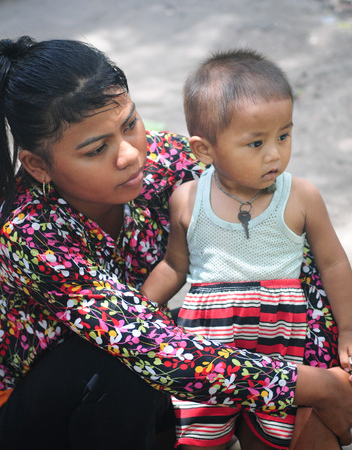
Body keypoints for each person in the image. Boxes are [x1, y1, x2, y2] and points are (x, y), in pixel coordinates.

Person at [0, 37, 351, 450]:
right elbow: (148, 347)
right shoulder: (28, 233)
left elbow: (295, 246)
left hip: (150, 364)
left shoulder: (166, 161)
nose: (130, 155)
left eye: (130, 124)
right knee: (123, 363)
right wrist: (312, 386)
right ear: (38, 164)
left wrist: (330, 359)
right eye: (97, 149)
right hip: (54, 404)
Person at [140, 49, 352, 450]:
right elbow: (174, 266)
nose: (274, 153)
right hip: (208, 347)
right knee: (201, 439)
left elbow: (334, 263)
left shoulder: (301, 196)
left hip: (282, 342)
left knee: (276, 438)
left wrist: (349, 327)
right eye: (255, 143)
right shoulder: (188, 199)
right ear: (204, 150)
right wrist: (139, 315)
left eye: (284, 135)